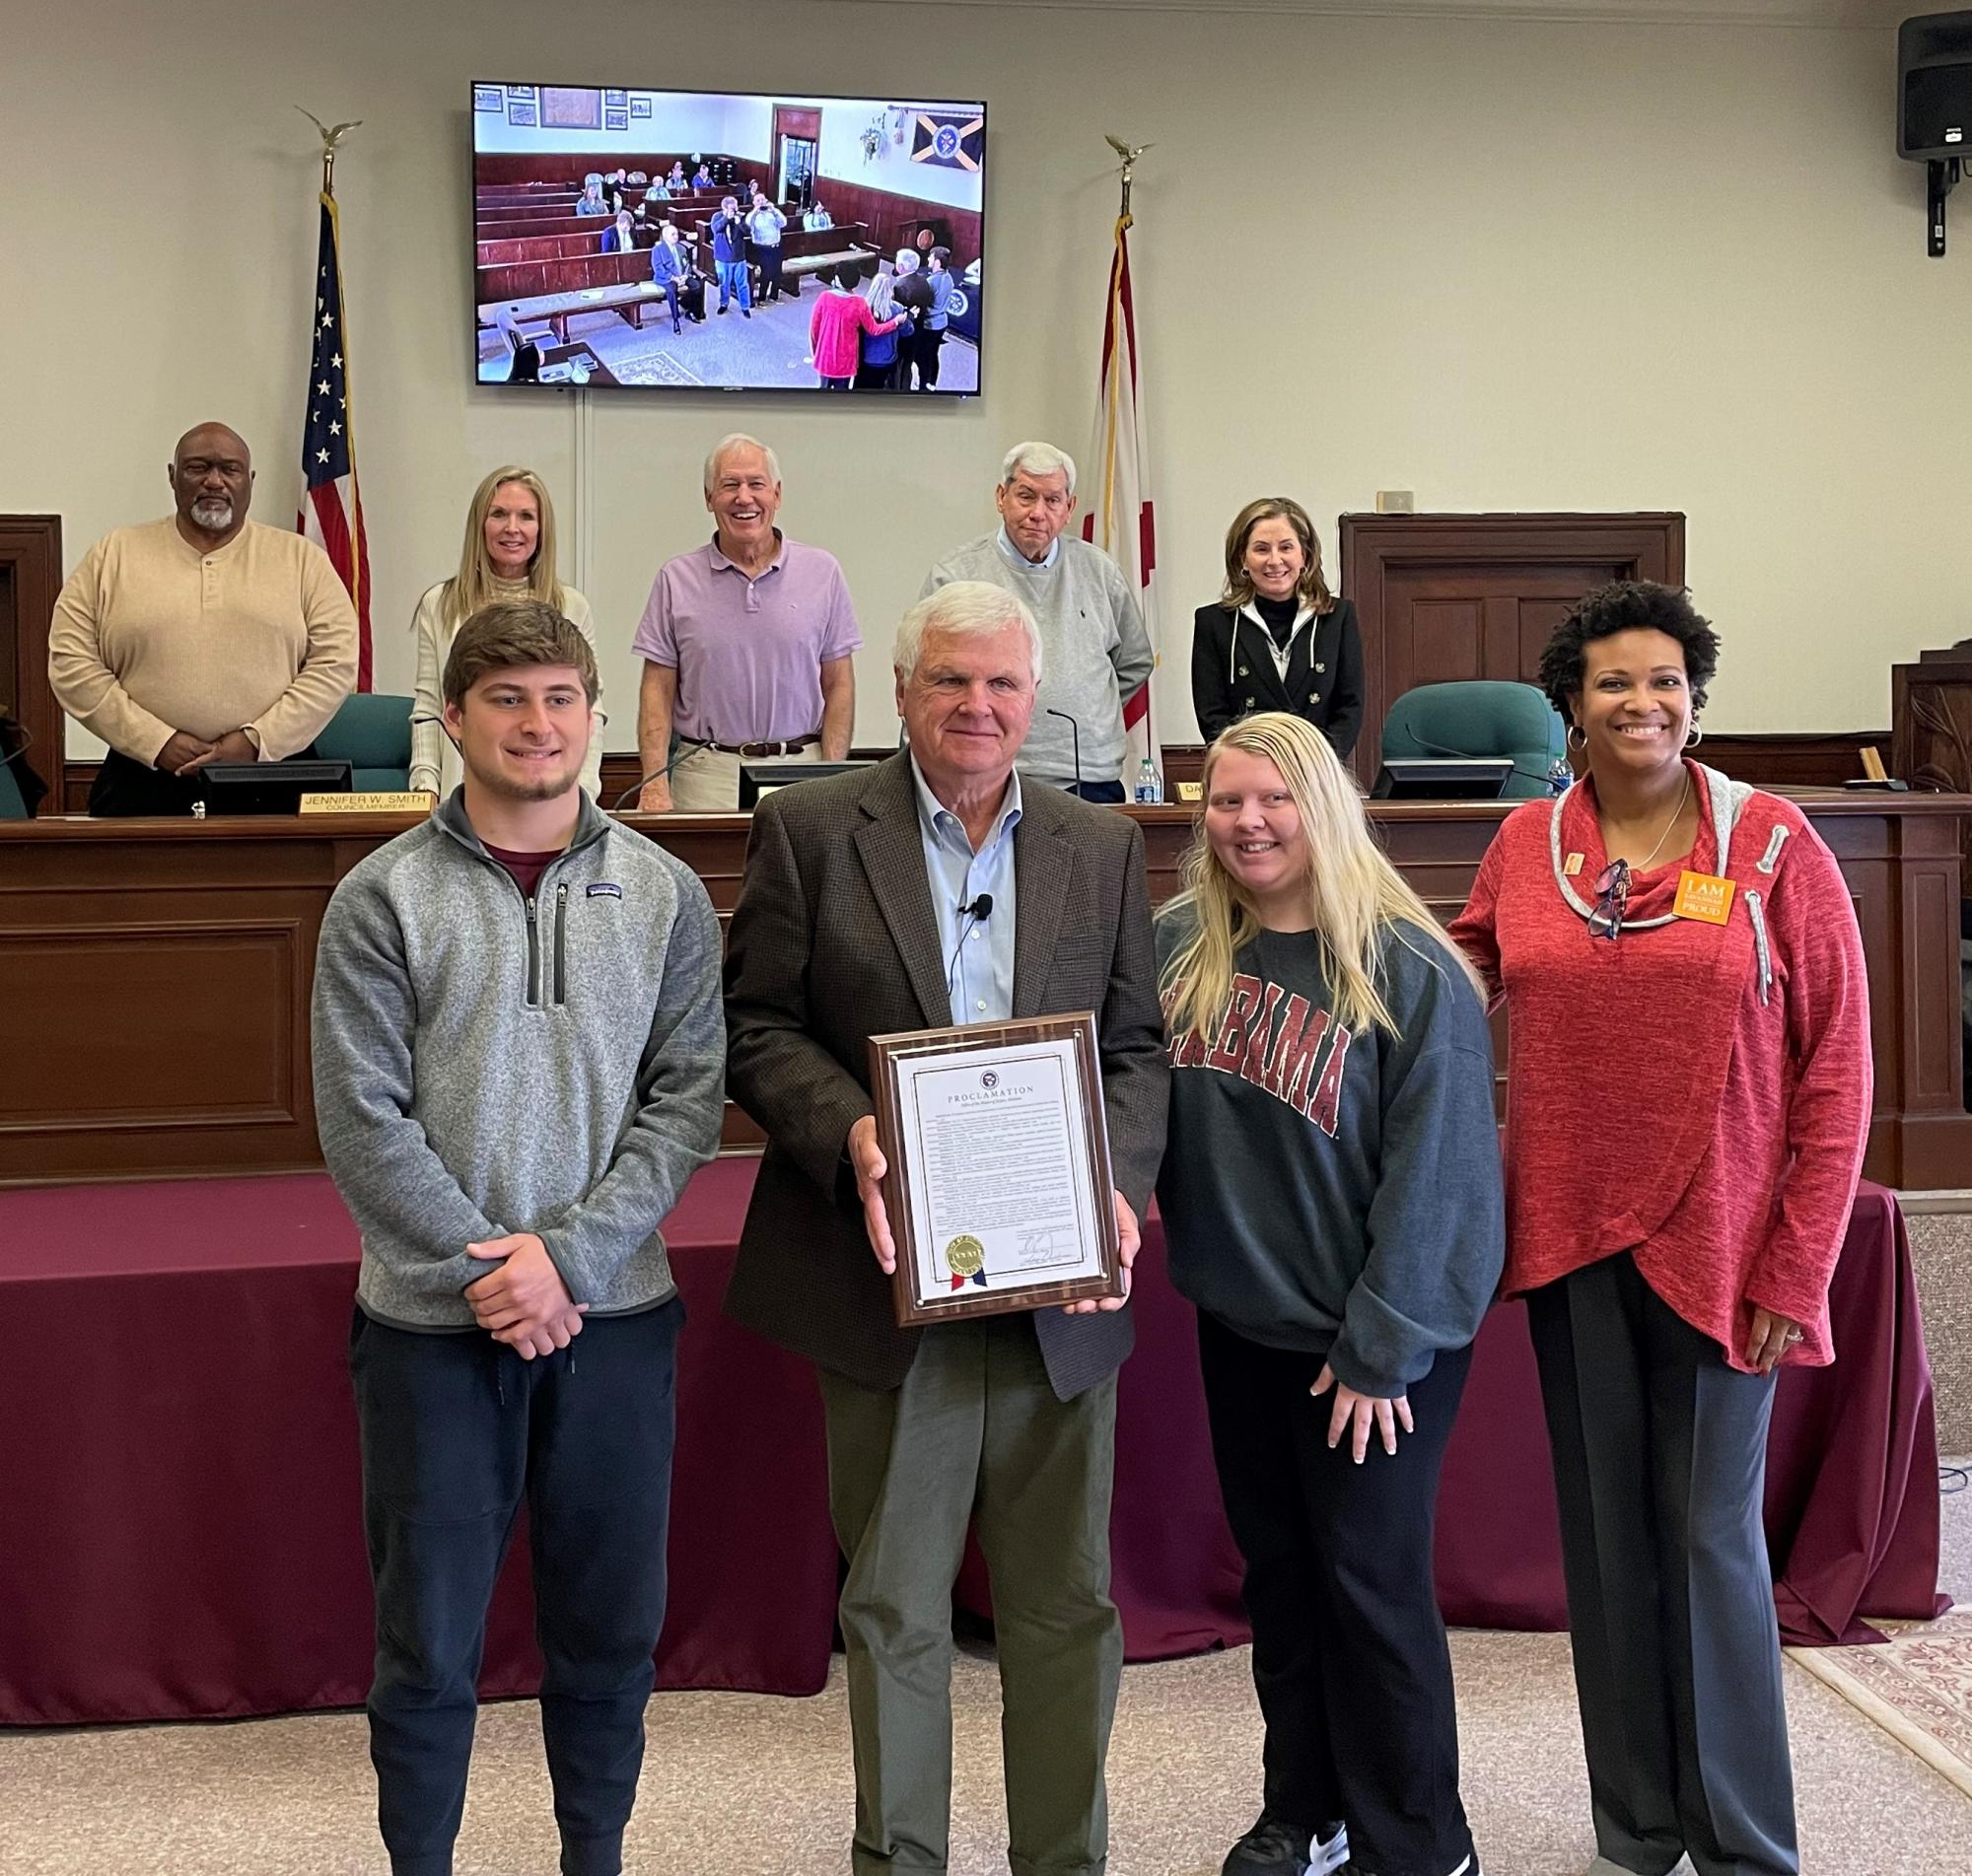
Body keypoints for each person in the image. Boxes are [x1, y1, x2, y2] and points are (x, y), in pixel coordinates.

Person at [721, 580, 1170, 1876]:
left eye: (1004, 685)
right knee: (896, 1600)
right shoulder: (810, 828)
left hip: (1057, 1283)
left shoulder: (1098, 844)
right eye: (951, 681)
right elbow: (754, 1027)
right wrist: (854, 1125)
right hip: (879, 1277)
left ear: (1038, 701)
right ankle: (900, 1855)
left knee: (1064, 1602)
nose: (979, 706)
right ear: (904, 692)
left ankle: (1063, 1859)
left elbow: (1136, 1048)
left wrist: (1117, 1188)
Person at [1446, 581, 1871, 1876]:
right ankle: (1636, 1829)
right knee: (1608, 1540)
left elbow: (1838, 1068)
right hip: (1573, 1239)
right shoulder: (1528, 845)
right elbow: (1460, 975)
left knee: (1707, 1542)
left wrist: (1799, 1263)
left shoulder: (1773, 844)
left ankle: (1745, 1843)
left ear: (1697, 700)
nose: (1644, 701)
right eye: (1615, 681)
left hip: (1728, 1249)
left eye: (1668, 681)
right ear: (1569, 704)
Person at [314, 598, 725, 1876]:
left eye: (559, 698)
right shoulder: (380, 897)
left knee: (608, 1633)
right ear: (453, 719)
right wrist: (500, 1270)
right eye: (506, 699)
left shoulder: (662, 892)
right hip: (432, 1331)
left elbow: (686, 1100)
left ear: (598, 719)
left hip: (614, 1321)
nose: (536, 723)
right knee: (427, 1645)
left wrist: (571, 1259)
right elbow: (362, 1118)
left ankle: (591, 1855)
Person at [1159, 711, 1502, 1876]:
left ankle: (1418, 1839)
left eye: (1272, 799)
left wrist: (1381, 1344)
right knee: (1282, 1580)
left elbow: (1445, 1175)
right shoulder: (1177, 946)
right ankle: (1302, 1807)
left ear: (1323, 806)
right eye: (1223, 801)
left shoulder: (1407, 965)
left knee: (1368, 1584)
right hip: (1242, 1324)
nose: (1246, 823)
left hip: (1371, 1339)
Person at [48, 421, 357, 815]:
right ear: (173, 477)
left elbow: (335, 662)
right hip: (141, 775)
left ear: (250, 480)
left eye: (229, 469)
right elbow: (70, 661)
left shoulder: (302, 560)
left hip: (275, 774)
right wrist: (156, 741)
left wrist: (255, 741)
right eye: (198, 468)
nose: (214, 481)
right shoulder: (114, 555)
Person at [632, 434, 859, 812]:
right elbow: (656, 690)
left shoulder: (824, 572)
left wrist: (830, 773)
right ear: (708, 498)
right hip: (706, 775)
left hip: (802, 771)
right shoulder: (675, 578)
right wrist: (654, 786)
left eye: (757, 484)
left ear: (777, 494)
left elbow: (839, 684)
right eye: (729, 485)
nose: (744, 498)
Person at [920, 441, 1155, 801]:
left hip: (1088, 777)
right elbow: (926, 675)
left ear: (1070, 508)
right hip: (989, 776)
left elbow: (1135, 660)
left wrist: (1091, 703)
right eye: (1026, 496)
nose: (1037, 513)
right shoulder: (956, 576)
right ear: (1001, 497)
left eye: (1052, 500)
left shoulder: (1100, 572)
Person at [410, 466, 603, 803]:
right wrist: (425, 787)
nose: (512, 528)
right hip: (464, 793)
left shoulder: (571, 606)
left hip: (552, 793)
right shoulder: (441, 604)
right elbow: (430, 708)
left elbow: (590, 708)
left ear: (541, 530)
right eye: (499, 514)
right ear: (479, 525)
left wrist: (581, 792)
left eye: (526, 516)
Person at [1191, 498, 1365, 758]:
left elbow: (1349, 708)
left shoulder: (1337, 617)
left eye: (1286, 547)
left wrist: (1316, 764)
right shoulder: (1214, 623)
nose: (1274, 560)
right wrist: (1256, 765)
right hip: (1247, 772)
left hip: (1317, 773)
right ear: (1243, 559)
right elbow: (1212, 716)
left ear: (1304, 555)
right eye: (1261, 549)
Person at [810, 264, 902, 389]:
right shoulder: (859, 303)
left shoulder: (825, 297)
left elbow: (814, 329)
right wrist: (895, 322)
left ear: (837, 279)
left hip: (826, 357)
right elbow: (874, 330)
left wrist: (817, 352)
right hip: (845, 362)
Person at [855, 262, 910, 390]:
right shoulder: (897, 309)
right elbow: (908, 331)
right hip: (888, 358)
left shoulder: (863, 307)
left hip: (866, 358)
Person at [888, 250, 934, 389]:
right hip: (919, 331)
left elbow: (895, 313)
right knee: (908, 363)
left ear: (901, 267)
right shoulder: (924, 281)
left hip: (903, 334)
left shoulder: (899, 287)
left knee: (898, 366)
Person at [917, 245, 957, 389]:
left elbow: (923, 305)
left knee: (923, 356)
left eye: (931, 257)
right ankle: (932, 383)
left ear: (938, 262)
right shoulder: (949, 278)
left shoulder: (931, 282)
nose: (928, 258)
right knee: (934, 354)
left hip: (930, 324)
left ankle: (923, 386)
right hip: (942, 323)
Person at [648, 222, 698, 334]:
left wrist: (685, 275)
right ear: (665, 236)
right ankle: (676, 319)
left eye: (676, 234)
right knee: (671, 290)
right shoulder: (658, 249)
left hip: (682, 276)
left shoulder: (681, 248)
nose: (676, 236)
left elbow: (687, 264)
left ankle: (690, 311)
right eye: (673, 234)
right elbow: (658, 269)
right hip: (667, 278)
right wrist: (673, 278)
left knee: (696, 286)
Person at [709, 195, 751, 317]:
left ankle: (745, 306)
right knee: (724, 283)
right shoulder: (717, 216)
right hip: (723, 257)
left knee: (742, 283)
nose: (735, 210)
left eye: (736, 207)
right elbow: (716, 229)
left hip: (739, 256)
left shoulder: (740, 216)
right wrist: (726, 218)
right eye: (732, 208)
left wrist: (739, 223)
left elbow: (748, 232)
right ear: (724, 207)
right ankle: (724, 304)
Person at [744, 186, 788, 304]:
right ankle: (762, 298)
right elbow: (748, 223)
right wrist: (756, 210)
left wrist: (773, 211)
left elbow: (783, 223)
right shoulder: (752, 215)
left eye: (763, 200)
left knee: (777, 272)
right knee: (766, 273)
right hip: (762, 249)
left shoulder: (774, 212)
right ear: (753, 202)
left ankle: (774, 296)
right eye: (758, 200)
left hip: (776, 246)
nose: (761, 202)